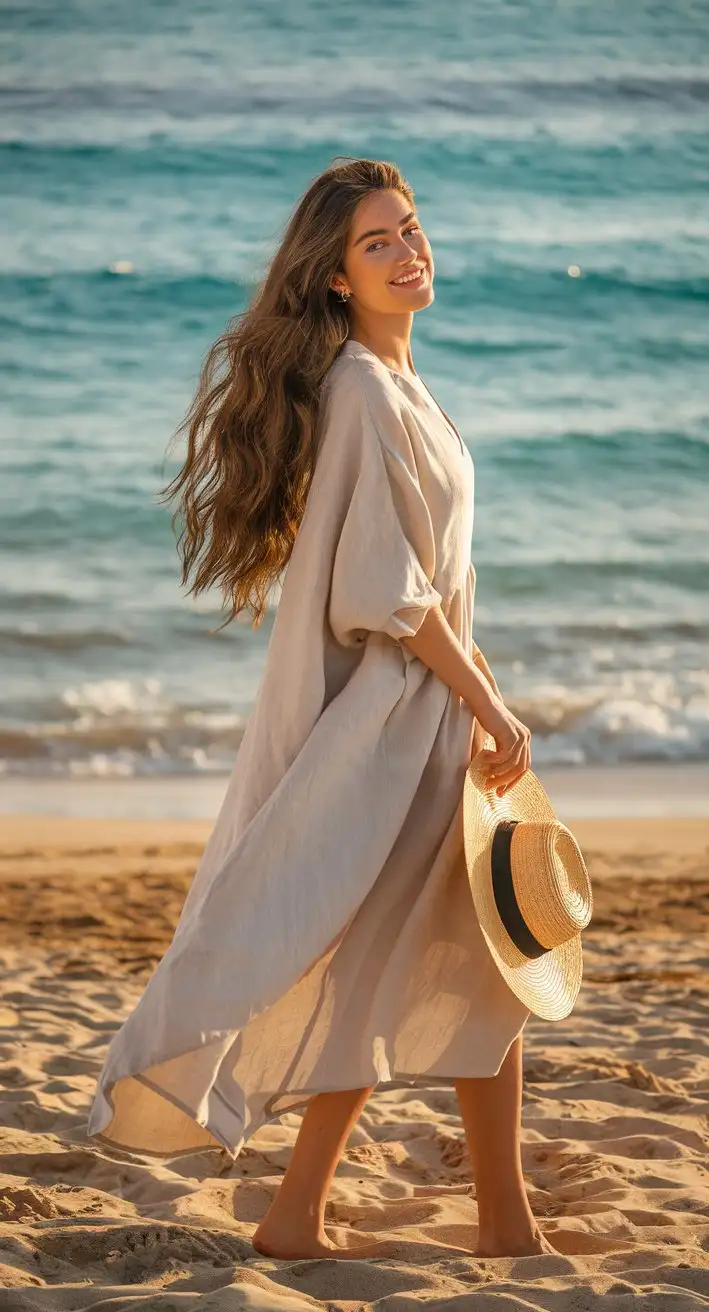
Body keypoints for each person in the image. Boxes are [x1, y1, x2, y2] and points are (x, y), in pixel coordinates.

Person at [86, 156, 553, 1261]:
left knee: (459, 960)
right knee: (463, 958)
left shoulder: (401, 382)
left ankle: (410, 1216)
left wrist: (474, 684)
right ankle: (477, 1222)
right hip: (402, 723)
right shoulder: (359, 390)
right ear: (337, 278)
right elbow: (379, 592)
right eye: (378, 242)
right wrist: (488, 702)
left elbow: (421, 579)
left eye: (412, 228)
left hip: (429, 704)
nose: (409, 251)